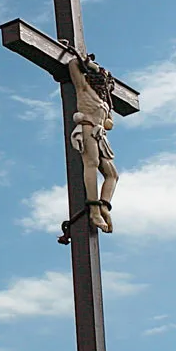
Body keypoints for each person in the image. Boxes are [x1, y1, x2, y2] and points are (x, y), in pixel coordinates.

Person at [66, 49, 119, 232]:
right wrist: (88, 63)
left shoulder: (105, 101)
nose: (104, 83)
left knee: (112, 174)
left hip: (100, 134)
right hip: (88, 127)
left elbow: (109, 123)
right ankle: (94, 210)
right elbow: (73, 64)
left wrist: (106, 117)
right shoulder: (84, 88)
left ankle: (104, 204)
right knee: (92, 163)